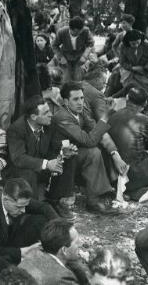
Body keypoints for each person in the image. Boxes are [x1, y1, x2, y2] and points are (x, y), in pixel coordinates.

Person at [50, 82, 124, 215]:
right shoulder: (62, 116)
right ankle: (94, 200)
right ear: (66, 101)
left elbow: (95, 129)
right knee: (92, 151)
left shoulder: (80, 111)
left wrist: (115, 153)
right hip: (58, 160)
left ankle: (97, 196)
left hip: (73, 154)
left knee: (96, 150)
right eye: (76, 99)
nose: (80, 102)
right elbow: (89, 140)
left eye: (82, 98)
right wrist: (106, 116)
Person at [0, 178, 58, 283]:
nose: (23, 211)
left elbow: (44, 207)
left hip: (6, 241)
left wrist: (64, 228)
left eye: (25, 206)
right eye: (19, 207)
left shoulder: (15, 198)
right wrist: (21, 252)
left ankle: (31, 259)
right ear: (6, 199)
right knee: (0, 264)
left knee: (39, 220)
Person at [5, 95, 61, 202]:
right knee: (29, 174)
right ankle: (33, 208)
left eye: (49, 111)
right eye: (46, 113)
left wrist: (62, 154)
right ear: (34, 117)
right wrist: (47, 164)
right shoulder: (16, 129)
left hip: (40, 167)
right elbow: (19, 158)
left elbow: (54, 147)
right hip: (20, 170)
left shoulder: (49, 124)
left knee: (63, 163)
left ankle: (56, 201)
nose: (51, 115)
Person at [19, 219, 83, 284]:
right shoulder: (63, 278)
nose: (80, 244)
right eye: (77, 243)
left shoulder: (31, 255)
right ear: (64, 250)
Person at [118, 29, 148, 96]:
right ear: (127, 42)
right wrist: (133, 68)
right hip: (129, 71)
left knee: (146, 86)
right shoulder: (123, 46)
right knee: (115, 78)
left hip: (146, 71)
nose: (136, 45)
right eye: (133, 43)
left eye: (138, 42)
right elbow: (122, 62)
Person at [52, 17, 94, 82]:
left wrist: (85, 55)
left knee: (77, 79)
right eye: (76, 32)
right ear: (70, 29)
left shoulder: (86, 31)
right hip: (66, 57)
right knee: (66, 79)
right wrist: (61, 57)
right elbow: (54, 45)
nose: (79, 33)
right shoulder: (62, 32)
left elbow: (90, 44)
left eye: (80, 31)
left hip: (79, 58)